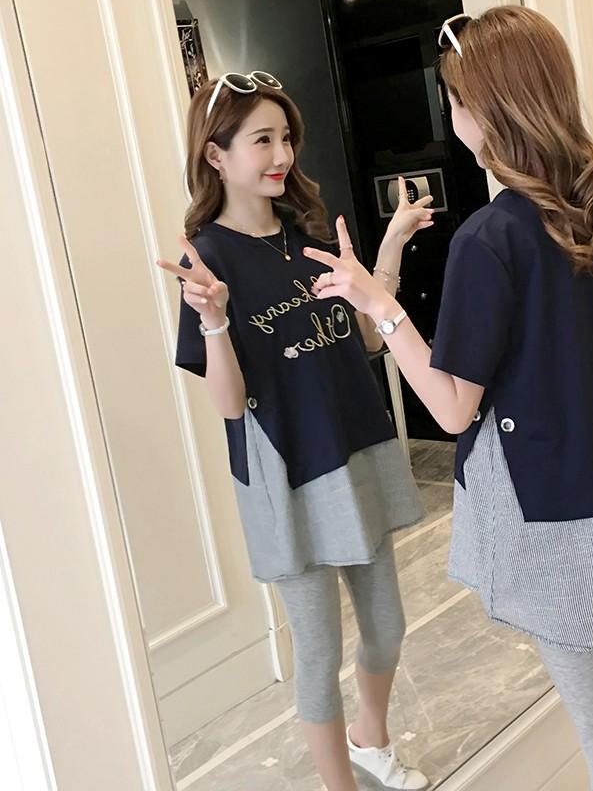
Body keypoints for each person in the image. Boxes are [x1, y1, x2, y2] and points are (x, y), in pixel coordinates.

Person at [303, 7, 593, 791]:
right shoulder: (591, 209)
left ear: (484, 110)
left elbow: (451, 410)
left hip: (557, 521)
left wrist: (382, 305)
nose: (452, 112)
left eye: (454, 97)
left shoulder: (490, 239)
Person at [156, 71, 432, 791]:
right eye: (262, 140)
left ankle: (371, 738)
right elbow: (228, 403)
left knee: (387, 628)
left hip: (356, 450)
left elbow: (365, 342)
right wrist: (214, 320)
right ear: (216, 156)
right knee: (318, 652)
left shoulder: (309, 232)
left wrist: (390, 250)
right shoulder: (206, 260)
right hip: (286, 472)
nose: (281, 155)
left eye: (286, 138)